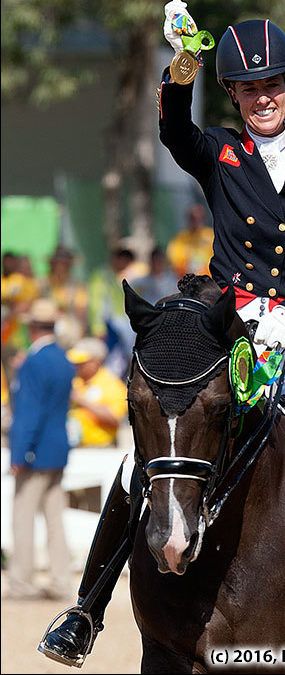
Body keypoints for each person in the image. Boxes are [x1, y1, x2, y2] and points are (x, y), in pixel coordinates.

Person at [39, 0, 285, 664]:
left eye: (272, 83)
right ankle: (86, 609)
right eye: (250, 87)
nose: (263, 96)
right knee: (146, 458)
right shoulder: (220, 152)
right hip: (229, 337)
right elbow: (171, 128)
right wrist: (186, 59)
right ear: (234, 93)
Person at [7, 298, 74, 601]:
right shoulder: (62, 358)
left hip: (35, 451)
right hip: (57, 448)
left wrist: (19, 453)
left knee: (22, 516)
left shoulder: (34, 361)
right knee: (54, 518)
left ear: (32, 327)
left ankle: (22, 581)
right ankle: (61, 580)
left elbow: (29, 413)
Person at [65, 338, 128, 448]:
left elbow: (115, 419)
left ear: (96, 362)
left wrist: (81, 400)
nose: (77, 366)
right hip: (73, 447)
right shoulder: (74, 381)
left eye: (81, 363)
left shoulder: (112, 385)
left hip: (101, 450)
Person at [87, 247, 137, 379]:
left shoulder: (116, 277)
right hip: (107, 326)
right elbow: (96, 304)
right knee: (108, 361)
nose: (125, 266)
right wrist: (98, 328)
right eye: (124, 262)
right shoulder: (101, 276)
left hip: (120, 328)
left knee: (119, 361)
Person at [39, 245, 89, 348]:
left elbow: (81, 314)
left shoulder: (76, 286)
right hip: (45, 329)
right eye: (57, 263)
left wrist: (81, 334)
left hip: (70, 332)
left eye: (63, 263)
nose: (60, 266)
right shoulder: (44, 284)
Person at [166, 202, 214, 279]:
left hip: (210, 282)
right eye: (193, 218)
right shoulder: (180, 239)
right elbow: (175, 262)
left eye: (200, 218)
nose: (196, 221)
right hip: (189, 282)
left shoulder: (211, 236)